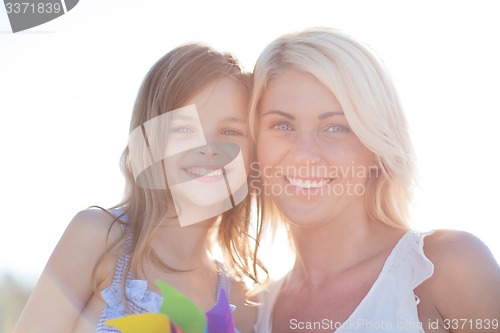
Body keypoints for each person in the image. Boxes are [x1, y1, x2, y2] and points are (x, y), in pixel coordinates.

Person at [249, 28, 500, 332]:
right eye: (282, 125)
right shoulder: (251, 314)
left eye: (335, 128)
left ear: (376, 149)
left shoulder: (446, 267)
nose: (304, 155)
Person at [14, 43, 265, 333]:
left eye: (230, 131)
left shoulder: (240, 299)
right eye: (184, 128)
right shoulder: (99, 239)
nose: (208, 148)